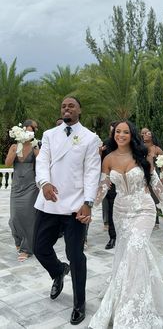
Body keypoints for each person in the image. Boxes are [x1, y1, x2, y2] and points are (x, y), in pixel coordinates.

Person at [89, 121, 163, 329]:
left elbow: (155, 183)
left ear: (132, 134)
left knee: (135, 248)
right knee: (126, 251)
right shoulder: (107, 158)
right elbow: (102, 187)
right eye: (118, 131)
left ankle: (133, 304)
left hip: (144, 209)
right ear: (113, 134)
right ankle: (126, 290)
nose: (121, 135)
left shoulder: (142, 154)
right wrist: (89, 207)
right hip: (120, 212)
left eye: (125, 132)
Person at [33, 96, 101, 325]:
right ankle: (58, 271)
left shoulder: (90, 138)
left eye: (71, 105)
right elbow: (42, 162)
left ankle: (79, 303)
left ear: (79, 110)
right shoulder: (49, 134)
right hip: (50, 202)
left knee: (75, 255)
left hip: (75, 206)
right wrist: (44, 183)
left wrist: (88, 202)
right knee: (39, 248)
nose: (66, 108)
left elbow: (92, 171)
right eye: (63, 105)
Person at [5, 119, 39, 262]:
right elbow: (7, 163)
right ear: (22, 130)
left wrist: (35, 148)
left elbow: (43, 163)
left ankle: (27, 248)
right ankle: (18, 241)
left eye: (33, 129)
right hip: (17, 186)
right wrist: (15, 149)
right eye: (29, 129)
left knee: (29, 218)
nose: (31, 131)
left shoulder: (35, 146)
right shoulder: (14, 146)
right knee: (14, 217)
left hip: (31, 186)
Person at [101, 121, 117, 249]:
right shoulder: (106, 143)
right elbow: (102, 163)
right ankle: (112, 237)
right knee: (111, 210)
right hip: (111, 182)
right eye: (112, 131)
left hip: (127, 183)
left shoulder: (130, 144)